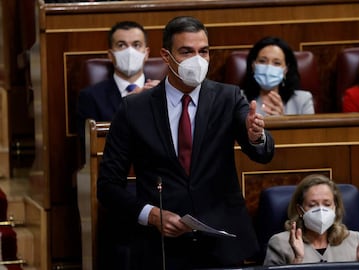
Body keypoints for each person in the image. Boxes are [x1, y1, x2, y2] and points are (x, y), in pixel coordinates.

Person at [97, 16, 275, 270]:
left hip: (222, 243)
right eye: (186, 52)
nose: (197, 60)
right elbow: (107, 187)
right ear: (166, 56)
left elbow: (263, 153)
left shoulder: (229, 97)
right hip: (162, 248)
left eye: (203, 51)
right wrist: (152, 215)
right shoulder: (134, 109)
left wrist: (256, 136)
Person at [76, 21, 160, 152]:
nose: (130, 52)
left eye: (136, 45)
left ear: (146, 53)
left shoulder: (163, 91)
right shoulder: (90, 97)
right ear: (111, 55)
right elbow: (90, 147)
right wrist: (130, 105)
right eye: (121, 45)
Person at [263, 174, 359, 266]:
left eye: (327, 204)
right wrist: (297, 261)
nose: (321, 210)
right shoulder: (281, 243)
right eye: (312, 205)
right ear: (300, 210)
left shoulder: (354, 240)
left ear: (335, 207)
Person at [242, 36, 314, 116]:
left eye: (277, 63)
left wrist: (283, 121)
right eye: (262, 61)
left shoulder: (303, 100)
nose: (268, 68)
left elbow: (310, 129)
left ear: (285, 69)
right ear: (253, 65)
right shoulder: (238, 99)